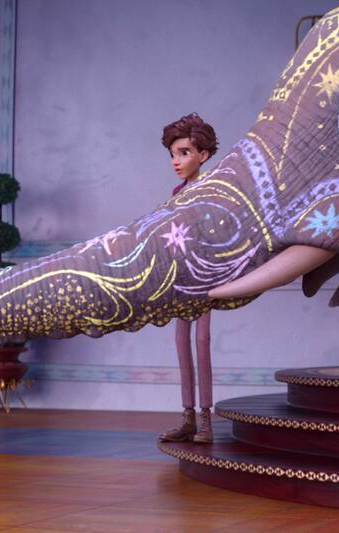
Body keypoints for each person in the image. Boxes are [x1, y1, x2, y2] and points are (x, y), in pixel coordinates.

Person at [157, 113, 218, 444]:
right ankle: (188, 417)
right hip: (181, 277)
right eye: (173, 154)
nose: (176, 161)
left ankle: (206, 418)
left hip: (205, 275)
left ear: (203, 155)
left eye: (184, 153)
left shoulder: (212, 189)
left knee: (202, 342)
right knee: (181, 342)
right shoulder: (177, 192)